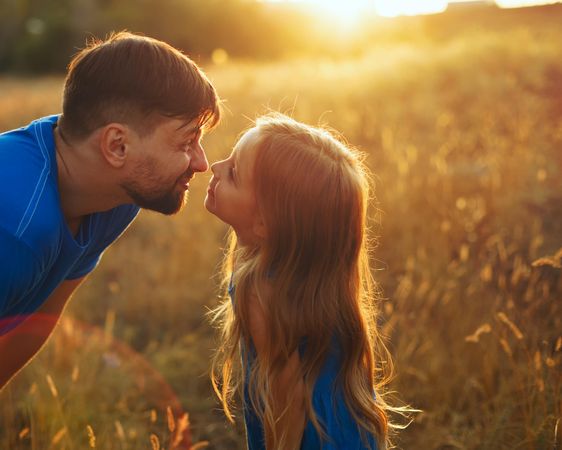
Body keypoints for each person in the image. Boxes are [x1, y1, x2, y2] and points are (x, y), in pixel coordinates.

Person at [0, 31, 221, 390]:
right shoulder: (14, 230)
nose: (201, 163)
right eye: (186, 142)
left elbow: (38, 316)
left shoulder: (113, 198)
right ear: (117, 145)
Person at [205, 114, 394, 449]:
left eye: (233, 173)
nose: (215, 167)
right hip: (346, 430)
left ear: (265, 222)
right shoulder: (314, 278)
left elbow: (285, 399)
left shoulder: (261, 288)